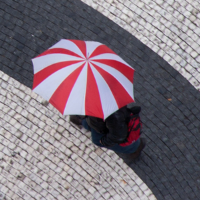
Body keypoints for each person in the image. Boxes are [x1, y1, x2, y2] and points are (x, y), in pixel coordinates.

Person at [70, 106, 145, 159]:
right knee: (90, 122)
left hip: (104, 125)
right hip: (97, 120)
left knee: (97, 140)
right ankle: (85, 122)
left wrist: (104, 141)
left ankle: (135, 147)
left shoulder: (114, 116)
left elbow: (118, 136)